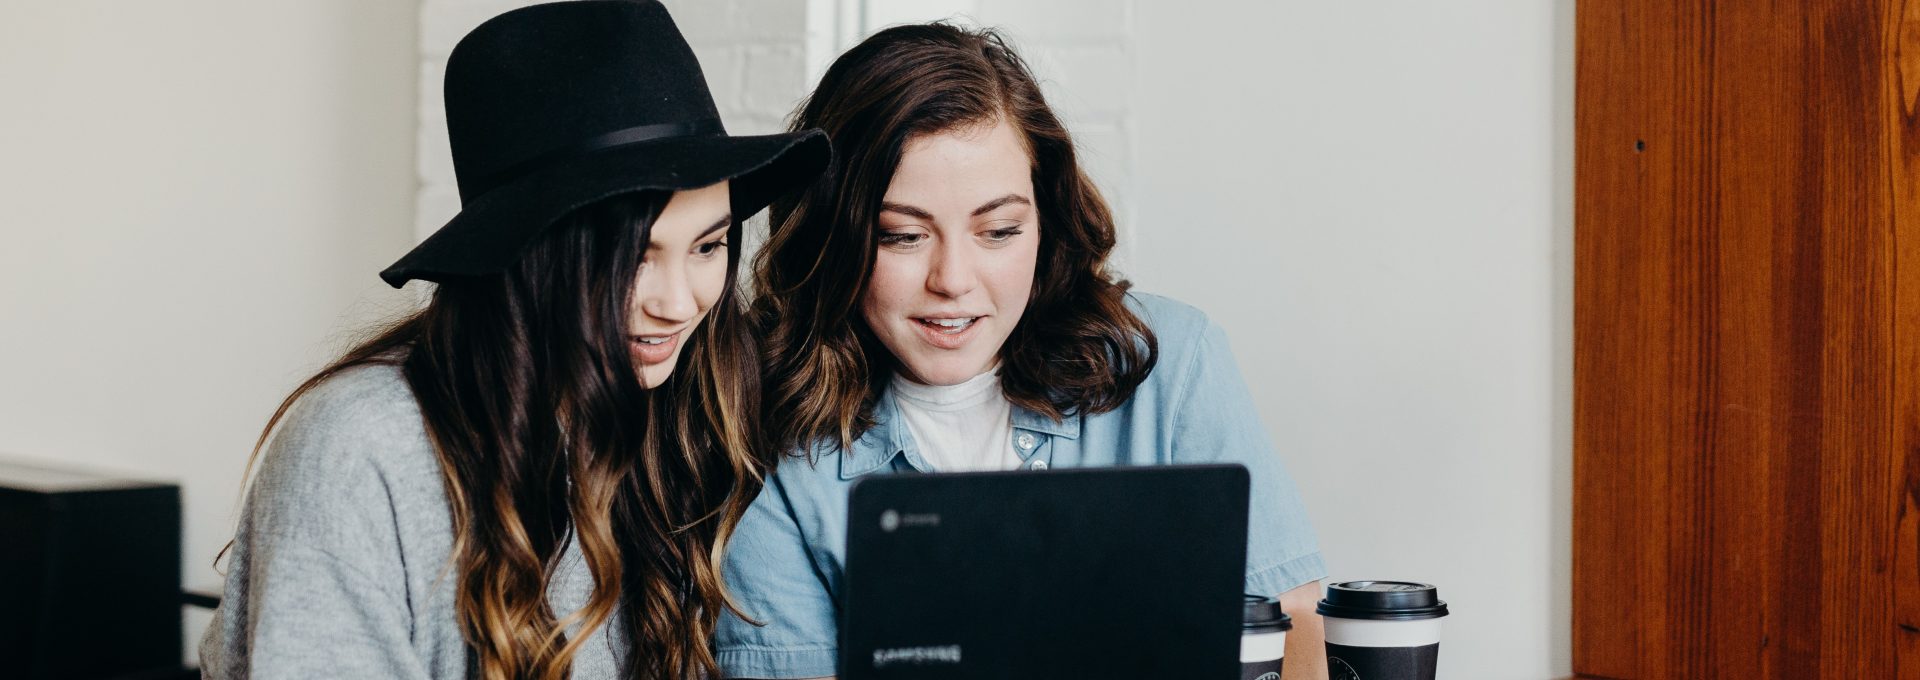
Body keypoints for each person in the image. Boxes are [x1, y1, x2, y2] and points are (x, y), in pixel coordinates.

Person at [198, 2, 828, 678]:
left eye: (709, 245)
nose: (678, 303)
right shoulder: (365, 447)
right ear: (531, 256)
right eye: (635, 258)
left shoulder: (685, 414)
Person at [715, 22, 1327, 680]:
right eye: (902, 236)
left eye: (998, 230)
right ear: (835, 239)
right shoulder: (770, 447)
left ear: (1046, 219)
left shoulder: (1170, 365)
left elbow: (1292, 634)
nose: (953, 279)